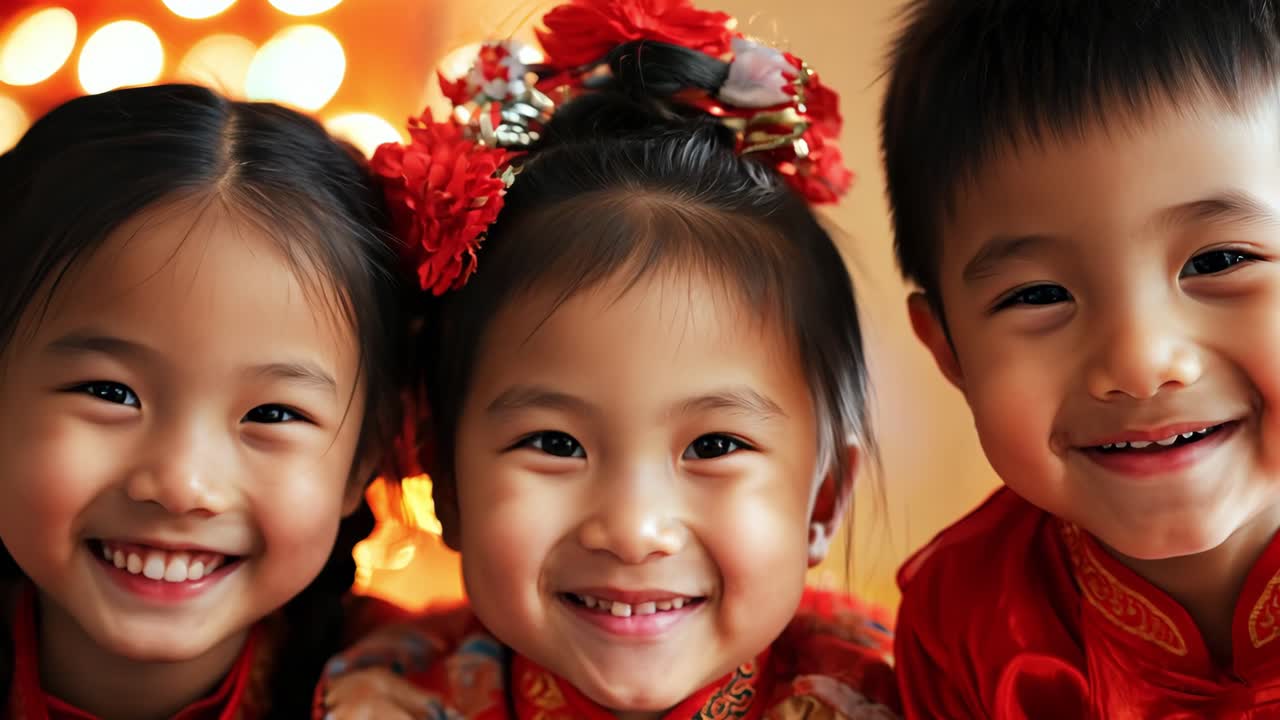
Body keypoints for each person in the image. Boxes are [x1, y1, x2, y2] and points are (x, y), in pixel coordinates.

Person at [316, 1, 900, 718]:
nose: (632, 528)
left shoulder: (895, 696)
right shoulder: (387, 696)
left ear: (823, 497)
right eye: (555, 444)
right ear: (445, 478)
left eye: (714, 445)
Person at [881, 1, 1280, 716]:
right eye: (1038, 295)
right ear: (949, 351)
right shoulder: (965, 622)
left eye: (1219, 260)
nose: (1139, 363)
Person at [0, 83, 411, 719]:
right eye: (111, 393)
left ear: (365, 458)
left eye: (273, 414)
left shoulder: (428, 688)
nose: (180, 484)